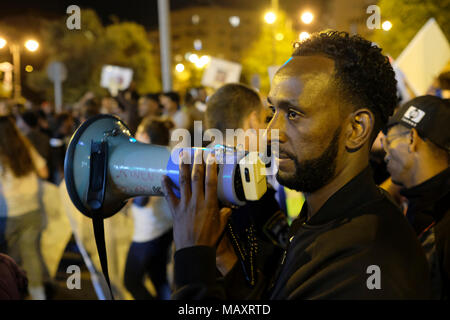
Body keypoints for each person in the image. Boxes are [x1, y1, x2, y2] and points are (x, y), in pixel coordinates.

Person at [161, 31, 432, 299]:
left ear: (356, 128)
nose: (270, 132)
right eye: (272, 112)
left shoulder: (367, 261)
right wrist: (221, 256)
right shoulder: (323, 216)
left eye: (293, 114)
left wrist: (192, 262)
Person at [204, 83, 288, 299]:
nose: (268, 130)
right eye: (264, 120)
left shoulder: (193, 173)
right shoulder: (250, 183)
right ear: (252, 120)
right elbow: (279, 254)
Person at [382, 95, 450, 299]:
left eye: (389, 141)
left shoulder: (439, 224)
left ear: (411, 139)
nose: (386, 155)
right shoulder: (424, 206)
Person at [123, 117, 174, 300]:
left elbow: (142, 201)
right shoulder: (168, 153)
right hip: (166, 227)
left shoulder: (146, 159)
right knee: (159, 278)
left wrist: (127, 194)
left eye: (137, 133)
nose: (135, 136)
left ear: (144, 135)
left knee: (131, 281)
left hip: (148, 232)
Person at [0, 115, 49, 300]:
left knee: (9, 259)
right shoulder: (25, 146)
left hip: (8, 213)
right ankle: (38, 294)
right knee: (31, 254)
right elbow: (43, 171)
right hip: (32, 209)